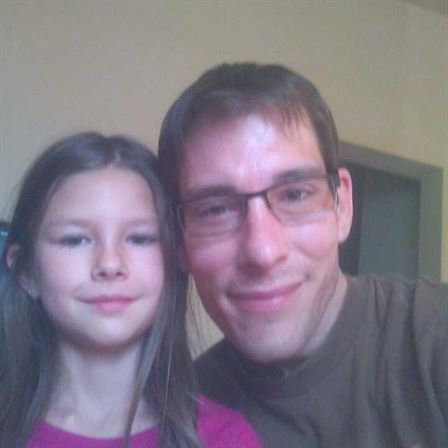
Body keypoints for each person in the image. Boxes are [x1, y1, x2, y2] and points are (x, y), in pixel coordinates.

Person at [158, 63, 448, 448]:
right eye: (215, 209)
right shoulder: (176, 422)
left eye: (296, 195)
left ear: (342, 206)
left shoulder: (435, 335)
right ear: (178, 242)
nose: (262, 252)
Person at [0, 133, 261, 448]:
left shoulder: (226, 438)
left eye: (140, 238)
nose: (110, 264)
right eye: (75, 239)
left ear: (175, 259)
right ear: (26, 271)